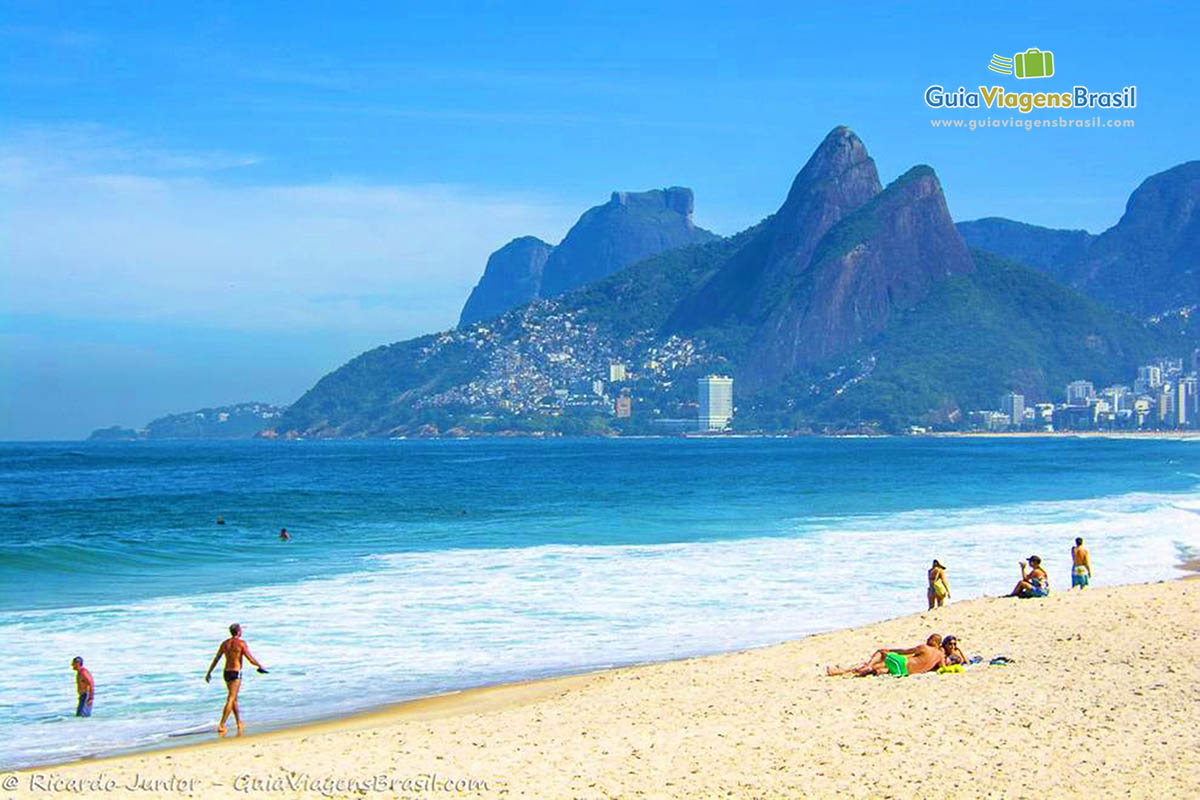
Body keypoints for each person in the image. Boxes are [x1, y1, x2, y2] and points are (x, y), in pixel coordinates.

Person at [204, 623, 267, 735]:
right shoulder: (241, 643)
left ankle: (239, 722)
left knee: (234, 699)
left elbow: (216, 659)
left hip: (226, 672)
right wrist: (259, 666)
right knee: (231, 698)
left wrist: (209, 672)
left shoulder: (225, 644)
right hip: (236, 672)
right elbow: (250, 658)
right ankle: (222, 724)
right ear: (238, 632)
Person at [826, 634, 946, 677]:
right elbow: (943, 668)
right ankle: (840, 671)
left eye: (929, 639)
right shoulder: (940, 655)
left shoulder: (924, 648)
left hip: (903, 664)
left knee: (881, 652)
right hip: (904, 672)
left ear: (934, 641)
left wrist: (889, 650)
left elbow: (905, 651)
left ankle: (868, 664)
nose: (927, 640)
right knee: (878, 669)